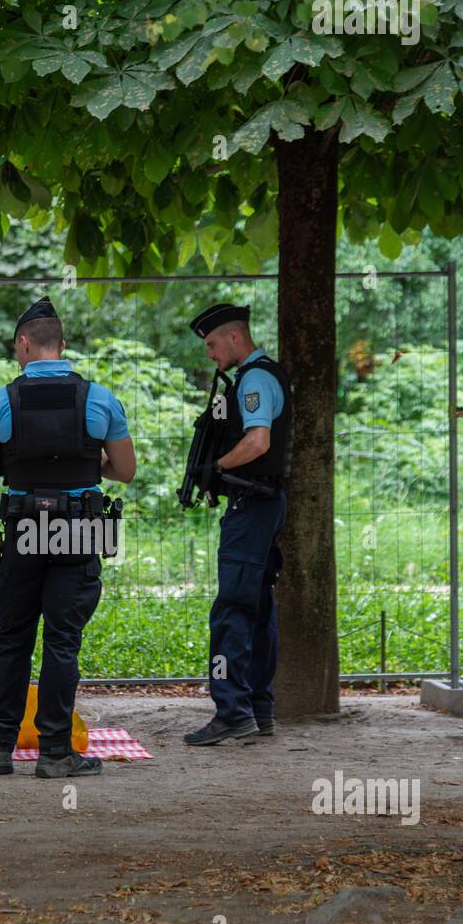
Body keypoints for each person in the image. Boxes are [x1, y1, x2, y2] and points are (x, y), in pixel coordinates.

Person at [0, 297, 136, 778]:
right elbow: (124, 471)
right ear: (63, 345)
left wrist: (11, 462)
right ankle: (56, 752)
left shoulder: (0, 402)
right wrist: (86, 465)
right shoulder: (99, 399)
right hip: (79, 528)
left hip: (23, 528)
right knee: (63, 641)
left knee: (13, 637)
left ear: (24, 344)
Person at [183, 302, 292, 746]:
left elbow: (258, 440)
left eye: (211, 344)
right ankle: (258, 710)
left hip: (252, 507)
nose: (209, 354)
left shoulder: (255, 379)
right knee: (258, 609)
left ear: (233, 337)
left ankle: (232, 712)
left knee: (230, 611)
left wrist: (214, 468)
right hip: (262, 503)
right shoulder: (260, 376)